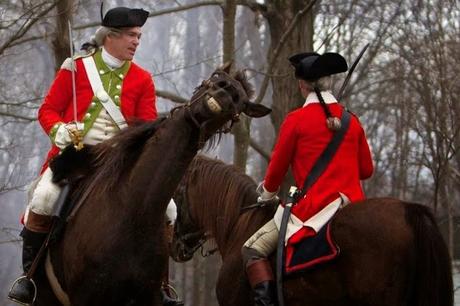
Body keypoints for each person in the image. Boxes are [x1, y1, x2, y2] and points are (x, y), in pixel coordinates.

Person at [8, 7, 182, 306]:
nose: (136, 41)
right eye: (131, 35)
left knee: (168, 209)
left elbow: (148, 128)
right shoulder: (76, 68)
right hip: (77, 157)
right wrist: (61, 130)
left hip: (120, 163)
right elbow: (47, 110)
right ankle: (30, 279)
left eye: (139, 36)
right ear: (111, 37)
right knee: (44, 198)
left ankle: (162, 285)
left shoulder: (142, 79)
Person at [241, 52, 374, 305]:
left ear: (302, 85)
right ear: (329, 82)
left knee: (252, 249)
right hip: (353, 205)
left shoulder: (296, 121)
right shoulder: (351, 121)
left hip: (315, 210)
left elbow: (276, 172)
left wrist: (267, 194)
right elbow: (366, 171)